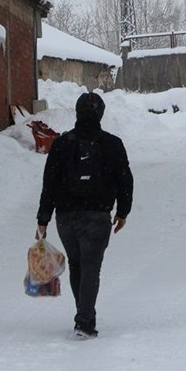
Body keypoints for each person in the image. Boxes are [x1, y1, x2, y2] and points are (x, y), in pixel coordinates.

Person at [37, 92, 133, 340]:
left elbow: (50, 183)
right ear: (101, 114)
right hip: (97, 216)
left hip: (66, 217)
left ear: (77, 113)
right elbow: (125, 180)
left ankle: (83, 314)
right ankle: (85, 320)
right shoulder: (112, 144)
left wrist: (43, 218)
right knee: (91, 268)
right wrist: (122, 211)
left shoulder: (62, 144)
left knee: (77, 265)